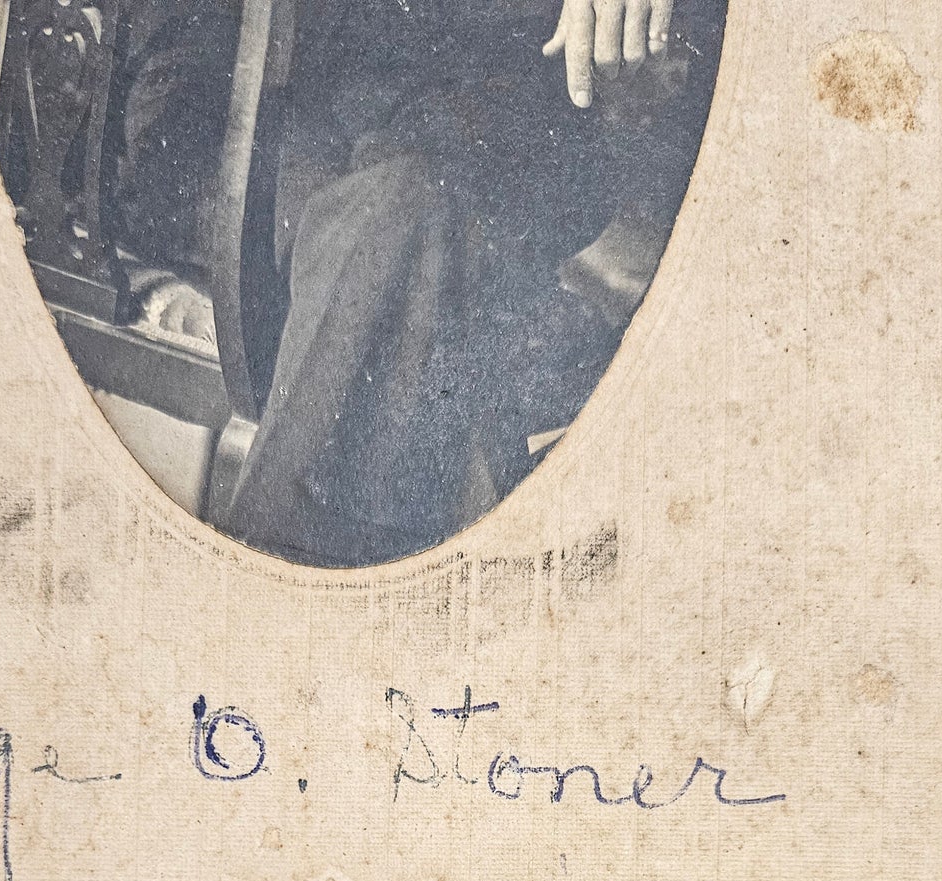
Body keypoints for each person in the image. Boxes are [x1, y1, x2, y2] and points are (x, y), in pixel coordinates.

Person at [115, 0, 725, 566]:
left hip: (476, 117)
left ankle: (289, 608)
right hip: (250, 103)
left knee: (416, 220)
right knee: (413, 222)